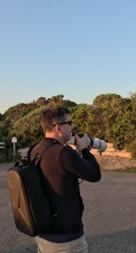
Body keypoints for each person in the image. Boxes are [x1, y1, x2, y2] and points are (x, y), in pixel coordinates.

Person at [30, 107, 101, 253]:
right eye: (70, 123)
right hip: (66, 239)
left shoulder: (34, 150)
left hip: (43, 231)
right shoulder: (63, 153)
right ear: (58, 128)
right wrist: (85, 149)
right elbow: (94, 174)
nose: (72, 127)